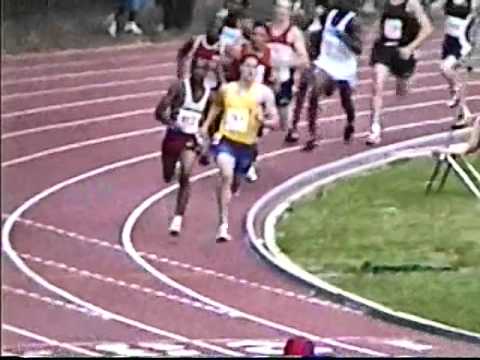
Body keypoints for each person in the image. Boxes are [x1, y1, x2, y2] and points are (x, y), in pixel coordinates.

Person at [201, 55, 278, 242]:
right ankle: (223, 224)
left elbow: (275, 121)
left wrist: (264, 121)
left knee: (235, 181)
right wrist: (205, 126)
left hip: (247, 146)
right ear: (241, 68)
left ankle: (232, 189)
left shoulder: (264, 93)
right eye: (247, 66)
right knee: (226, 175)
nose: (250, 71)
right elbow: (216, 107)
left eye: (254, 67)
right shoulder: (228, 89)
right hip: (226, 140)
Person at [288, 0, 363, 150]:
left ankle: (350, 121)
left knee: (345, 99)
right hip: (326, 62)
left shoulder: (353, 21)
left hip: (344, 67)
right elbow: (314, 28)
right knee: (314, 92)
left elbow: (358, 48)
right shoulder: (329, 14)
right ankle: (313, 134)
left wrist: (344, 37)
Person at [155, 58, 211, 236]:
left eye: (203, 69)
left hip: (192, 138)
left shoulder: (209, 94)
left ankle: (178, 218)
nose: (199, 73)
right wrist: (171, 123)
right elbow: (158, 112)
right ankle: (173, 169)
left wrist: (206, 144)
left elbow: (210, 119)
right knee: (167, 175)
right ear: (191, 70)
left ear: (207, 72)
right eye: (196, 69)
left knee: (186, 175)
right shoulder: (179, 87)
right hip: (173, 136)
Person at [366, 0, 434, 145]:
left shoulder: (412, 4)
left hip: (403, 51)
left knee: (402, 91)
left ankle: (410, 73)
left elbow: (428, 28)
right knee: (377, 85)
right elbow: (380, 22)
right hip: (383, 49)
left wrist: (411, 47)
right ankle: (375, 127)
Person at [226, 21, 278, 182]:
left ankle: (249, 163)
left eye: (262, 35)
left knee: (253, 137)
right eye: (255, 34)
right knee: (237, 133)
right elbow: (231, 70)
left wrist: (273, 83)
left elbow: (271, 76)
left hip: (258, 100)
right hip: (240, 98)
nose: (257, 38)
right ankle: (238, 161)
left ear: (267, 38)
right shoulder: (243, 51)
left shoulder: (269, 54)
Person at [432, 0, 479, 129]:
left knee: (445, 68)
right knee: (449, 72)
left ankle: (457, 92)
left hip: (462, 43)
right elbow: (433, 10)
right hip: (448, 42)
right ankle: (464, 113)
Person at [267, 0, 310, 134]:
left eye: (285, 8)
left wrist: (281, 63)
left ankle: (290, 128)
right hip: (265, 77)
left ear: (290, 12)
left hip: (284, 78)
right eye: (279, 7)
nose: (281, 11)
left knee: (283, 121)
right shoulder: (265, 28)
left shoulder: (293, 32)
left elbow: (305, 60)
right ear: (274, 8)